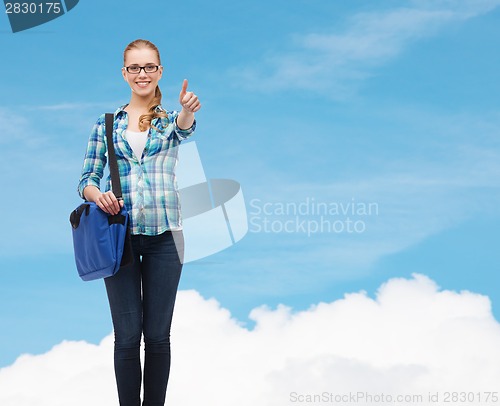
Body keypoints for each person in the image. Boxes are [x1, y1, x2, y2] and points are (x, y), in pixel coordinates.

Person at [77, 38, 201, 406]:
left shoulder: (168, 120)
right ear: (124, 73)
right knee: (128, 336)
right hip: (120, 240)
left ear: (159, 71)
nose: (142, 74)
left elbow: (184, 128)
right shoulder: (106, 123)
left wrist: (187, 111)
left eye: (149, 67)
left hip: (166, 237)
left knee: (158, 335)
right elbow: (86, 177)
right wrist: (96, 195)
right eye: (134, 67)